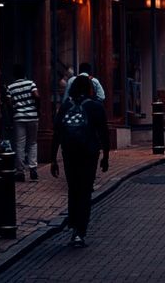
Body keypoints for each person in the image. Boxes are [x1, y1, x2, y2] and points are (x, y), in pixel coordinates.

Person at [51, 73, 110, 247]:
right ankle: (79, 232)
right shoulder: (96, 107)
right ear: (89, 89)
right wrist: (106, 156)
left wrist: (53, 159)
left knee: (73, 188)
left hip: (69, 153)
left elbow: (57, 132)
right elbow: (104, 134)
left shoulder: (65, 106)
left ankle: (74, 223)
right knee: (85, 191)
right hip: (89, 153)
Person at [5, 64, 40, 181]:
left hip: (19, 117)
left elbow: (9, 103)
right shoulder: (31, 83)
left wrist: (15, 109)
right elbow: (36, 95)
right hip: (32, 116)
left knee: (20, 144)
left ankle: (20, 171)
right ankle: (33, 168)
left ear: (14, 75)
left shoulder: (10, 87)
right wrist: (37, 108)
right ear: (24, 73)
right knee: (32, 143)